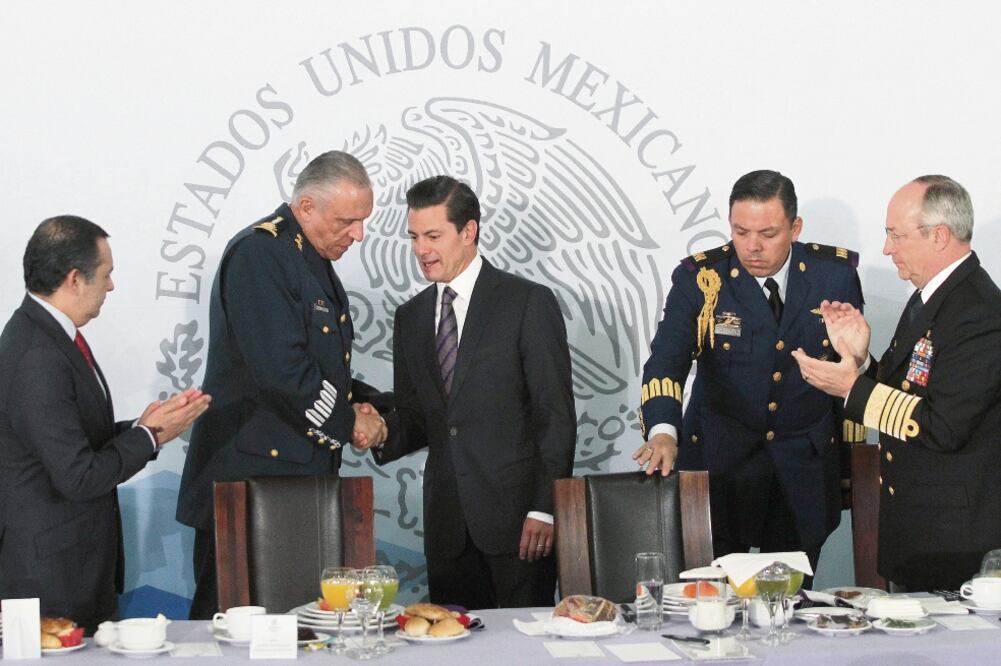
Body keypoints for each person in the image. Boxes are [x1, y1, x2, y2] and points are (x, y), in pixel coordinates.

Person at [176, 151, 390, 619]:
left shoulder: (302, 256)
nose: (359, 235)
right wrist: (349, 419)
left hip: (291, 479)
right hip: (249, 485)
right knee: (233, 627)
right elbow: (283, 371)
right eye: (347, 221)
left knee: (302, 629)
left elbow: (320, 369)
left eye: (362, 221)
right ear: (307, 206)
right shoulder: (260, 253)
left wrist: (381, 407)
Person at [634, 170, 866, 574]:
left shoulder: (835, 275)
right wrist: (663, 434)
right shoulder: (701, 279)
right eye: (741, 232)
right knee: (716, 607)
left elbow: (850, 370)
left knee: (790, 608)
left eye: (768, 233)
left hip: (803, 470)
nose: (752, 247)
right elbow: (667, 360)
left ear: (795, 228)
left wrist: (850, 466)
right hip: (722, 469)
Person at [360, 175, 576, 609]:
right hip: (447, 531)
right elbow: (421, 417)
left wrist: (544, 508)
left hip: (519, 526)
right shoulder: (411, 317)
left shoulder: (527, 302)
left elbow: (555, 416)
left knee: (524, 653)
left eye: (434, 235)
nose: (422, 250)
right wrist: (381, 430)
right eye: (415, 237)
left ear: (469, 231)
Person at [0, 216, 210, 632]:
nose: (111, 286)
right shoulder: (38, 354)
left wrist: (145, 425)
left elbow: (74, 441)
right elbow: (78, 475)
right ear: (75, 278)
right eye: (106, 274)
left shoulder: (48, 335)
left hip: (72, 570)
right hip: (52, 581)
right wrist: (149, 438)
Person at [792, 175, 1001, 591]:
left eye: (895, 235)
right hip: (922, 534)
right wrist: (861, 360)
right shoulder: (933, 297)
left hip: (956, 546)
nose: (887, 248)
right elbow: (909, 394)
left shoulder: (977, 312)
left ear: (939, 236)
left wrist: (852, 388)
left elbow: (943, 425)